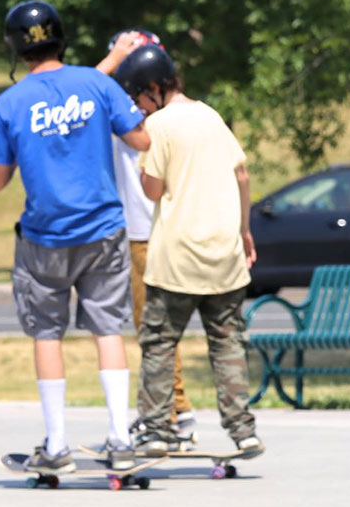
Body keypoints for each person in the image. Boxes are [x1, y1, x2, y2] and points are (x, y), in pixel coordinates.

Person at [0, 0, 151, 473]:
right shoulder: (97, 84)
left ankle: (57, 446)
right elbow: (141, 139)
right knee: (108, 328)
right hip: (103, 230)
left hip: (44, 238)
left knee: (46, 333)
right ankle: (121, 438)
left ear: (16, 49)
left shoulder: (8, 103)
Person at [112, 43, 262, 460]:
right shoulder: (211, 116)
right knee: (228, 342)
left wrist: (148, 165)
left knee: (159, 341)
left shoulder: (159, 125)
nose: (139, 108)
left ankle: (157, 430)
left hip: (177, 255)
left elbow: (152, 190)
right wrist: (244, 231)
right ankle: (243, 431)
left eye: (139, 97)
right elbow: (242, 175)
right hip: (224, 251)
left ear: (154, 88)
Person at [96, 28, 197, 447]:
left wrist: (113, 59)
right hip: (150, 227)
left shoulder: (136, 112)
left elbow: (83, 90)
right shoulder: (161, 110)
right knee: (154, 327)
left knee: (152, 327)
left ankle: (173, 413)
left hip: (147, 230)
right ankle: (174, 410)